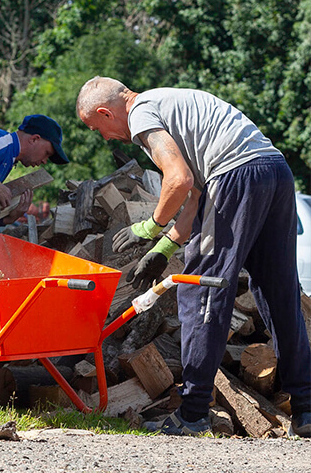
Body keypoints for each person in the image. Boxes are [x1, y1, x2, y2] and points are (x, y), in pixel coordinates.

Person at [76, 76, 311, 437]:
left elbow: (179, 180)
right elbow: (197, 195)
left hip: (235, 177)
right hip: (273, 172)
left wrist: (149, 228)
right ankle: (307, 409)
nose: (105, 137)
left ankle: (193, 412)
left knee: (199, 290)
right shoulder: (171, 101)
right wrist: (166, 246)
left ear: (107, 112)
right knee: (278, 292)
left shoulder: (141, 114)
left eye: (98, 128)